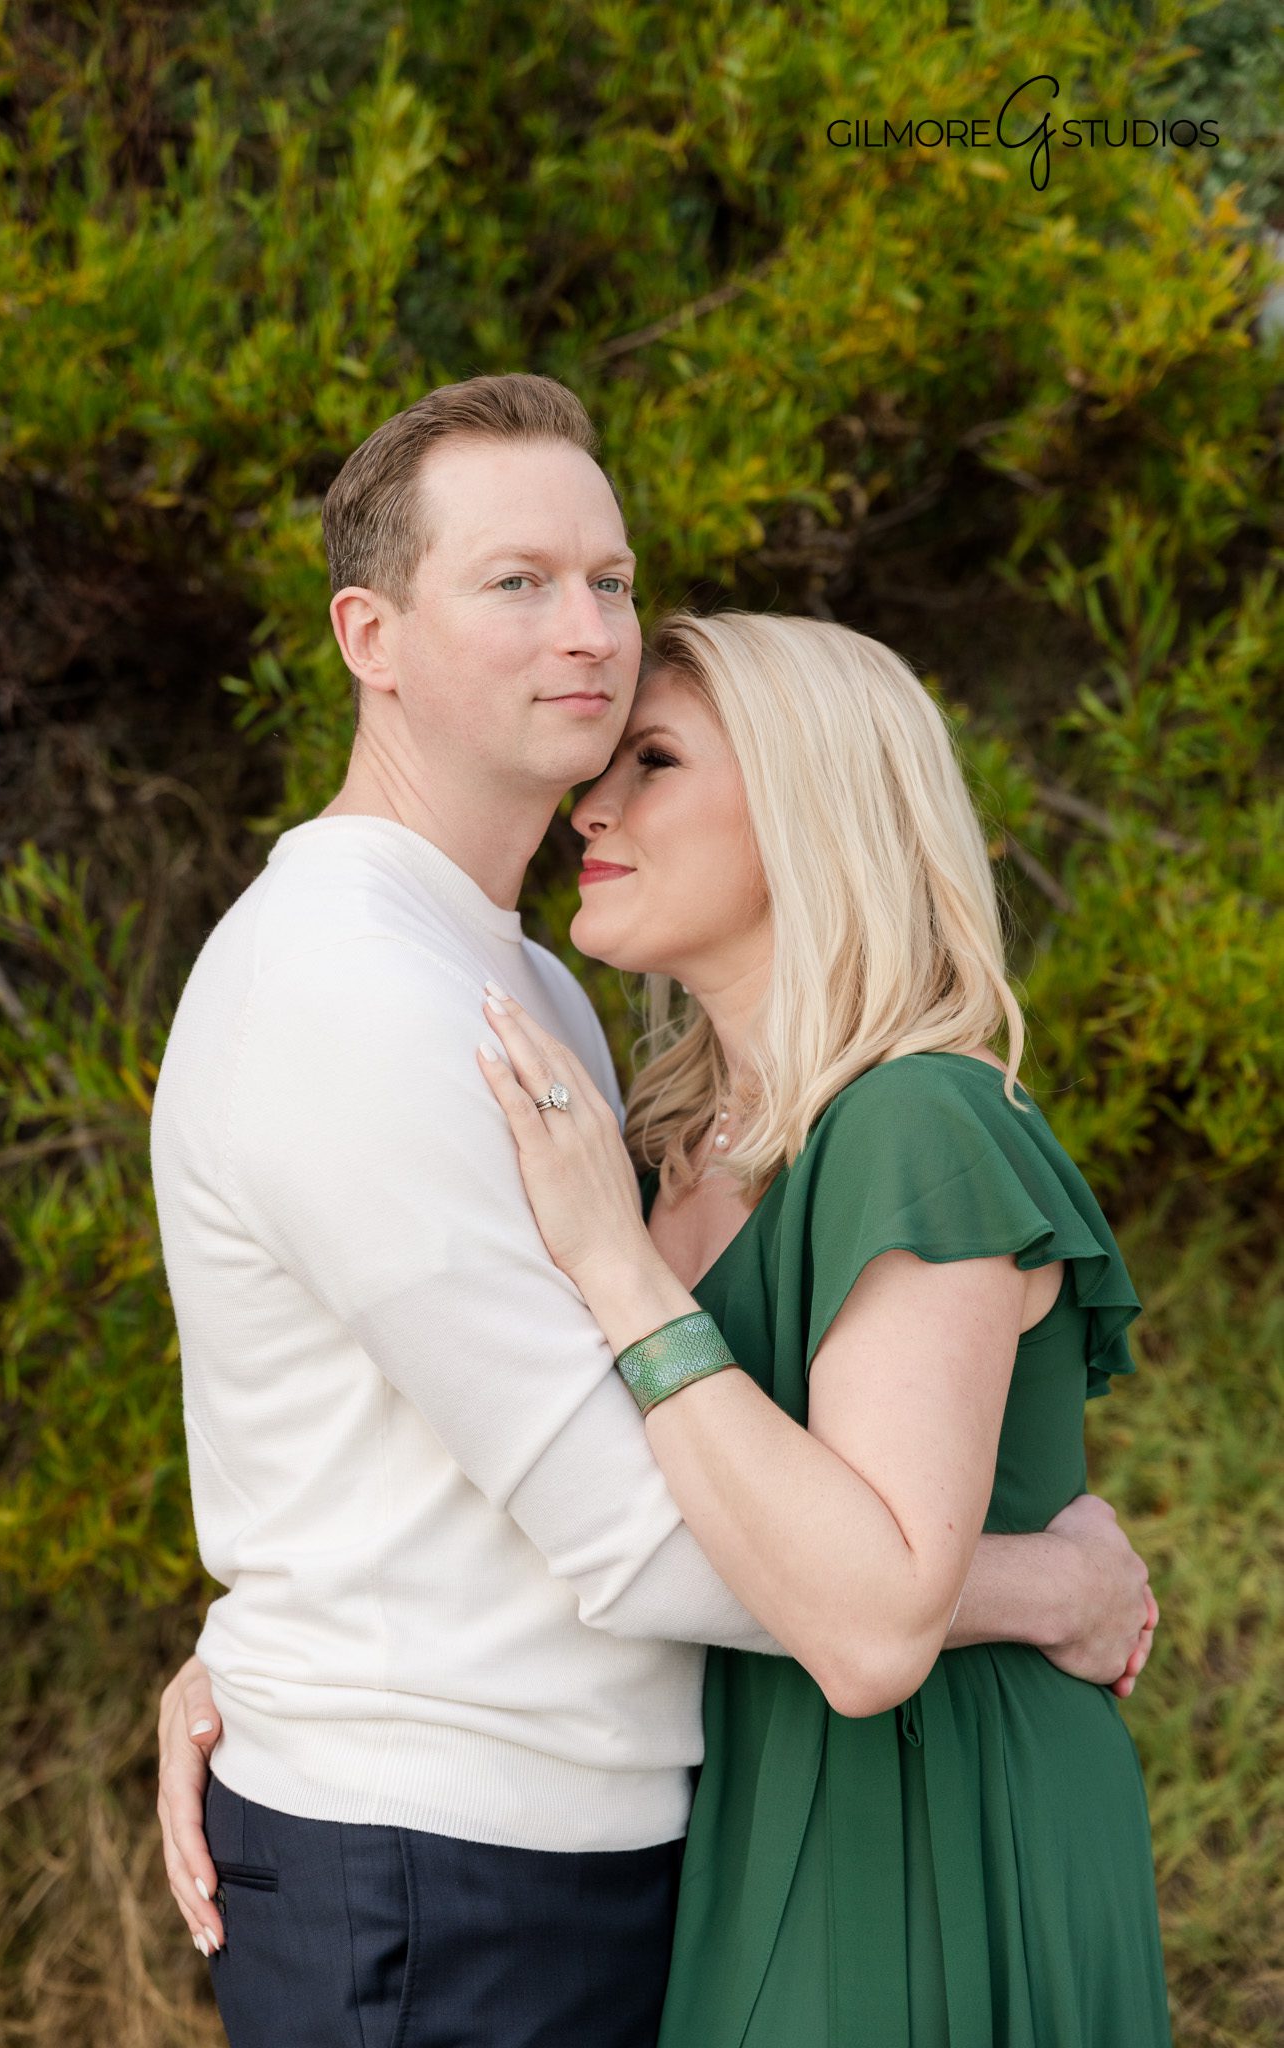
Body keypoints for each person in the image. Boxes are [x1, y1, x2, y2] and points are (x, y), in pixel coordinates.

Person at [150, 374, 1157, 2048]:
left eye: (607, 581)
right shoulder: (347, 985)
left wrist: (263, 1636)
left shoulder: (533, 984)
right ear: (369, 638)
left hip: (635, 1843)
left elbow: (516, 1430)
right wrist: (1035, 1587)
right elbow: (621, 1521)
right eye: (516, 582)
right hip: (446, 1869)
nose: (588, 632)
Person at [473, 607, 1172, 2046]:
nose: (588, 804)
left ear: (809, 807)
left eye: (652, 759)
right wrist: (250, 1663)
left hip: (927, 1816)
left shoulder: (921, 1122)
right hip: (725, 1807)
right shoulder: (651, 1140)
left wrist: (618, 1274)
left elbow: (866, 1635)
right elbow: (539, 1486)